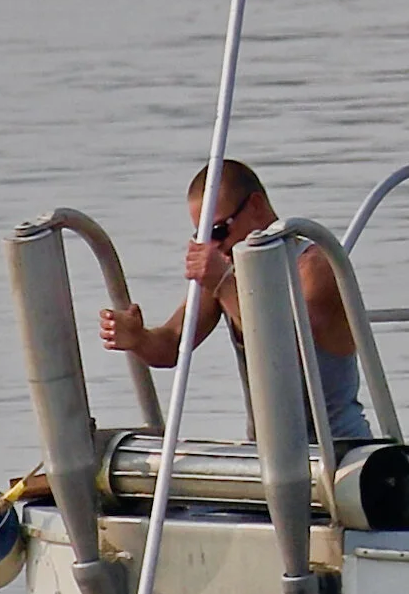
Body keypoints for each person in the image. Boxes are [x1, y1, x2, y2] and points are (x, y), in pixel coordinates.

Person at [98, 159, 371, 440]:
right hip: (268, 453)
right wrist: (138, 338)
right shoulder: (227, 272)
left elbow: (287, 350)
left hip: (337, 446)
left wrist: (222, 282)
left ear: (255, 206)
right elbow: (171, 344)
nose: (214, 246)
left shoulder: (314, 267)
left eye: (218, 231)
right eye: (202, 236)